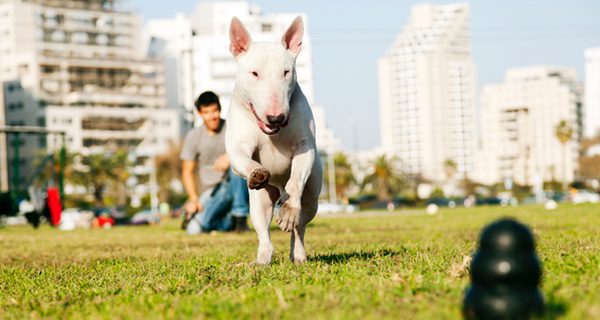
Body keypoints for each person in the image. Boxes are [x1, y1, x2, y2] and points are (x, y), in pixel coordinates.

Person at [180, 91, 250, 234]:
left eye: (215, 111)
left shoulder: (232, 128)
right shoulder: (193, 136)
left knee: (236, 164)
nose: (212, 116)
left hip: (235, 184)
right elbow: (187, 170)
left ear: (220, 109)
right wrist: (193, 199)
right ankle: (228, 221)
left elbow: (249, 151)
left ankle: (240, 217)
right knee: (193, 230)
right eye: (207, 112)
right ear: (200, 113)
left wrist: (231, 155)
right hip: (210, 193)